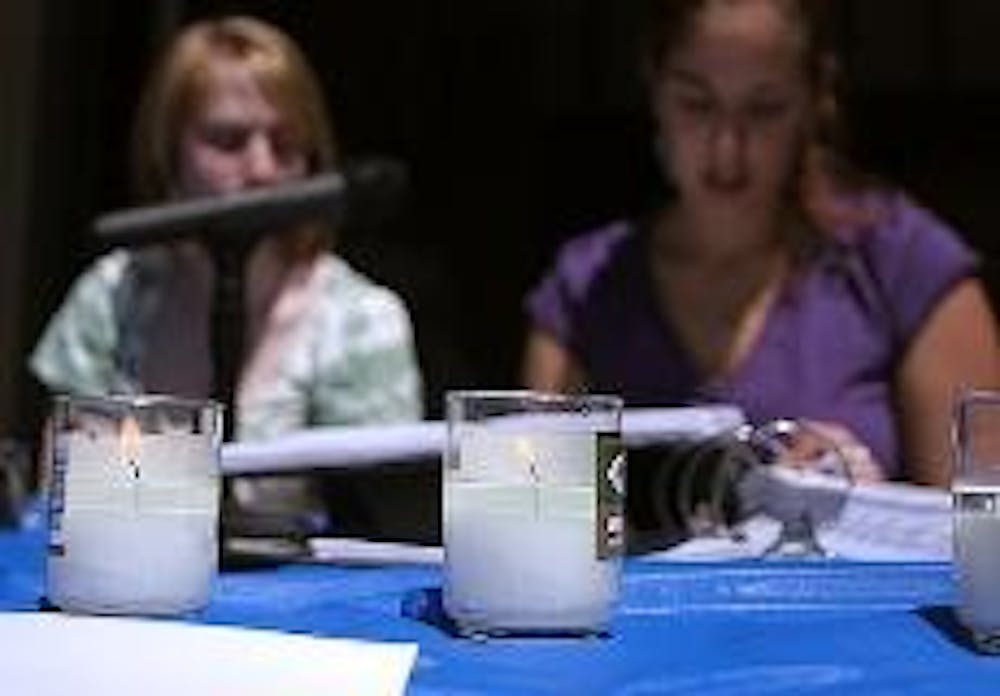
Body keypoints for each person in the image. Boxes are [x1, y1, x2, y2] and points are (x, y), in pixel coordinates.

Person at [523, 0, 998, 487]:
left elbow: (983, 527)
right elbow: (536, 507)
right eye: (696, 103)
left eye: (765, 109)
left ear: (814, 101)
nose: (727, 148)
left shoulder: (902, 263)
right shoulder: (587, 289)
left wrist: (861, 502)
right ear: (654, 87)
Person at [30, 16, 423, 525]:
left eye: (284, 143)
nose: (261, 169)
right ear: (167, 151)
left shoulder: (362, 320)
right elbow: (56, 500)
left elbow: (381, 530)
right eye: (228, 140)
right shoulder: (111, 294)